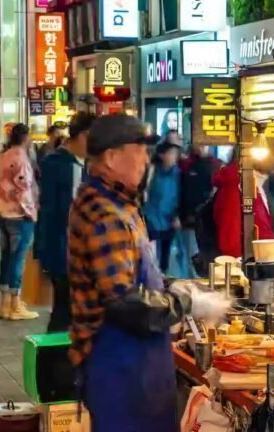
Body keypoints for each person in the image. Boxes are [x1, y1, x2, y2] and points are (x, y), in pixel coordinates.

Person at [67, 114, 230, 431]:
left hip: (139, 370)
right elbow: (123, 303)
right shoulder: (104, 212)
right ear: (112, 157)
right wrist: (185, 304)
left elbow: (137, 277)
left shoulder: (120, 204)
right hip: (122, 371)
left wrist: (177, 285)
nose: (146, 159)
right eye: (138, 150)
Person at [38, 112, 95, 332]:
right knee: (64, 311)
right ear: (83, 136)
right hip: (64, 251)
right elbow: (59, 212)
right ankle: (53, 361)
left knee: (67, 310)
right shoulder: (61, 164)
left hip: (69, 250)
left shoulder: (80, 163)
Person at [213, 147, 274, 262]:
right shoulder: (235, 187)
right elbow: (231, 247)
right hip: (248, 275)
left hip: (262, 272)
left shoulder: (257, 185)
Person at [0, 123, 39, 320]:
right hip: (19, 215)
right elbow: (24, 188)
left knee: (7, 258)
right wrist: (31, 211)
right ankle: (15, 303)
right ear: (25, 138)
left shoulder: (3, 156)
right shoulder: (21, 158)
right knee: (18, 259)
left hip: (3, 213)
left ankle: (4, 304)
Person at [179, 144, 221, 278]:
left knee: (202, 253)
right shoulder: (186, 166)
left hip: (206, 220)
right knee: (189, 254)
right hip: (189, 219)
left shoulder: (214, 165)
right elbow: (182, 191)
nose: (201, 147)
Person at [143, 141, 182, 273]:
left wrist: (178, 215)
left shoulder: (179, 174)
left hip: (169, 219)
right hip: (151, 218)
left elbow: (181, 196)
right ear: (162, 155)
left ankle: (162, 283)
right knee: (151, 255)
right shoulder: (151, 171)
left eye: (175, 154)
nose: (174, 157)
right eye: (171, 153)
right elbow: (143, 191)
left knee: (165, 257)